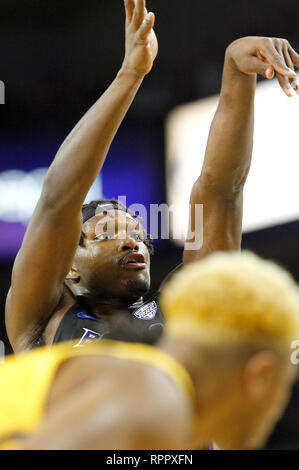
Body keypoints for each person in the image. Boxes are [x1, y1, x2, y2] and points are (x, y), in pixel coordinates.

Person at [5, 8, 299, 352]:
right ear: (69, 266)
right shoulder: (42, 319)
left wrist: (236, 74)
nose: (133, 244)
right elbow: (58, 197)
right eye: (106, 234)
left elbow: (221, 192)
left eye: (137, 235)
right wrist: (130, 74)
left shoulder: (180, 305)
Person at [0, 251, 299, 450]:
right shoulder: (155, 395)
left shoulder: (144, 387)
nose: (279, 408)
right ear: (261, 374)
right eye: (286, 384)